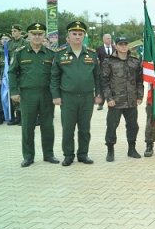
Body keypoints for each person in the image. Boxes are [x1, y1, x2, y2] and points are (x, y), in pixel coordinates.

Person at [51, 21, 103, 166]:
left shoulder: (91, 54)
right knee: (68, 128)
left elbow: (97, 76)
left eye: (80, 34)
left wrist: (98, 94)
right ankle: (68, 155)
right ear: (68, 36)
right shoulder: (60, 54)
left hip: (87, 97)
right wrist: (56, 95)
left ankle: (83, 154)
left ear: (84, 36)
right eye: (74, 34)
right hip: (68, 97)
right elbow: (54, 76)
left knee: (85, 128)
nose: (77, 37)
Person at [8, 22, 58, 167]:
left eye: (40, 34)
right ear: (28, 35)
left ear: (44, 36)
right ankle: (28, 156)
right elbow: (12, 72)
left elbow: (56, 75)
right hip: (27, 94)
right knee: (28, 126)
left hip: (46, 94)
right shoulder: (20, 52)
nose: (37, 37)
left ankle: (49, 154)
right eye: (34, 34)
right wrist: (14, 91)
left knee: (48, 126)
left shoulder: (50, 53)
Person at [100, 35, 143, 162]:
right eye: (121, 44)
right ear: (116, 46)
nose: (123, 47)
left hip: (131, 101)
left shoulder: (135, 61)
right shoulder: (109, 62)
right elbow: (104, 81)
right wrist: (108, 98)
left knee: (133, 126)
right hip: (115, 101)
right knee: (112, 126)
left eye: (125, 44)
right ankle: (110, 150)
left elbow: (139, 81)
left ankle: (132, 149)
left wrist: (140, 96)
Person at [6, 25, 27, 125]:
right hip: (13, 71)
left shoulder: (25, 43)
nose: (13, 33)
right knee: (14, 95)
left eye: (15, 31)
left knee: (22, 96)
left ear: (20, 32)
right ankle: (17, 117)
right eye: (12, 31)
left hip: (22, 72)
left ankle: (23, 117)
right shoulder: (9, 44)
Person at [95, 34, 114, 111]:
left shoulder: (114, 48)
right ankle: (100, 104)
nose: (109, 40)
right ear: (104, 40)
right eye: (108, 38)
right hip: (102, 72)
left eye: (110, 38)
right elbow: (97, 60)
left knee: (113, 87)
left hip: (113, 72)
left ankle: (112, 102)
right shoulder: (99, 49)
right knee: (102, 88)